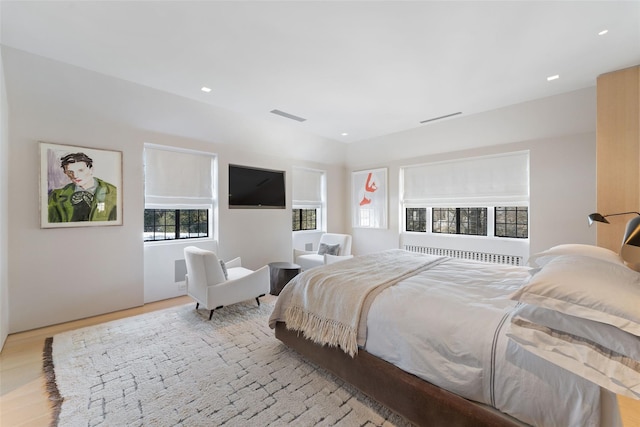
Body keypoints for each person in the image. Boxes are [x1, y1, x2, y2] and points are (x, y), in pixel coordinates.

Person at [48, 152, 118, 222]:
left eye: (81, 170)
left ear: (91, 169)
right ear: (65, 172)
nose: (75, 176)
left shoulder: (114, 192)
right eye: (70, 172)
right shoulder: (56, 196)